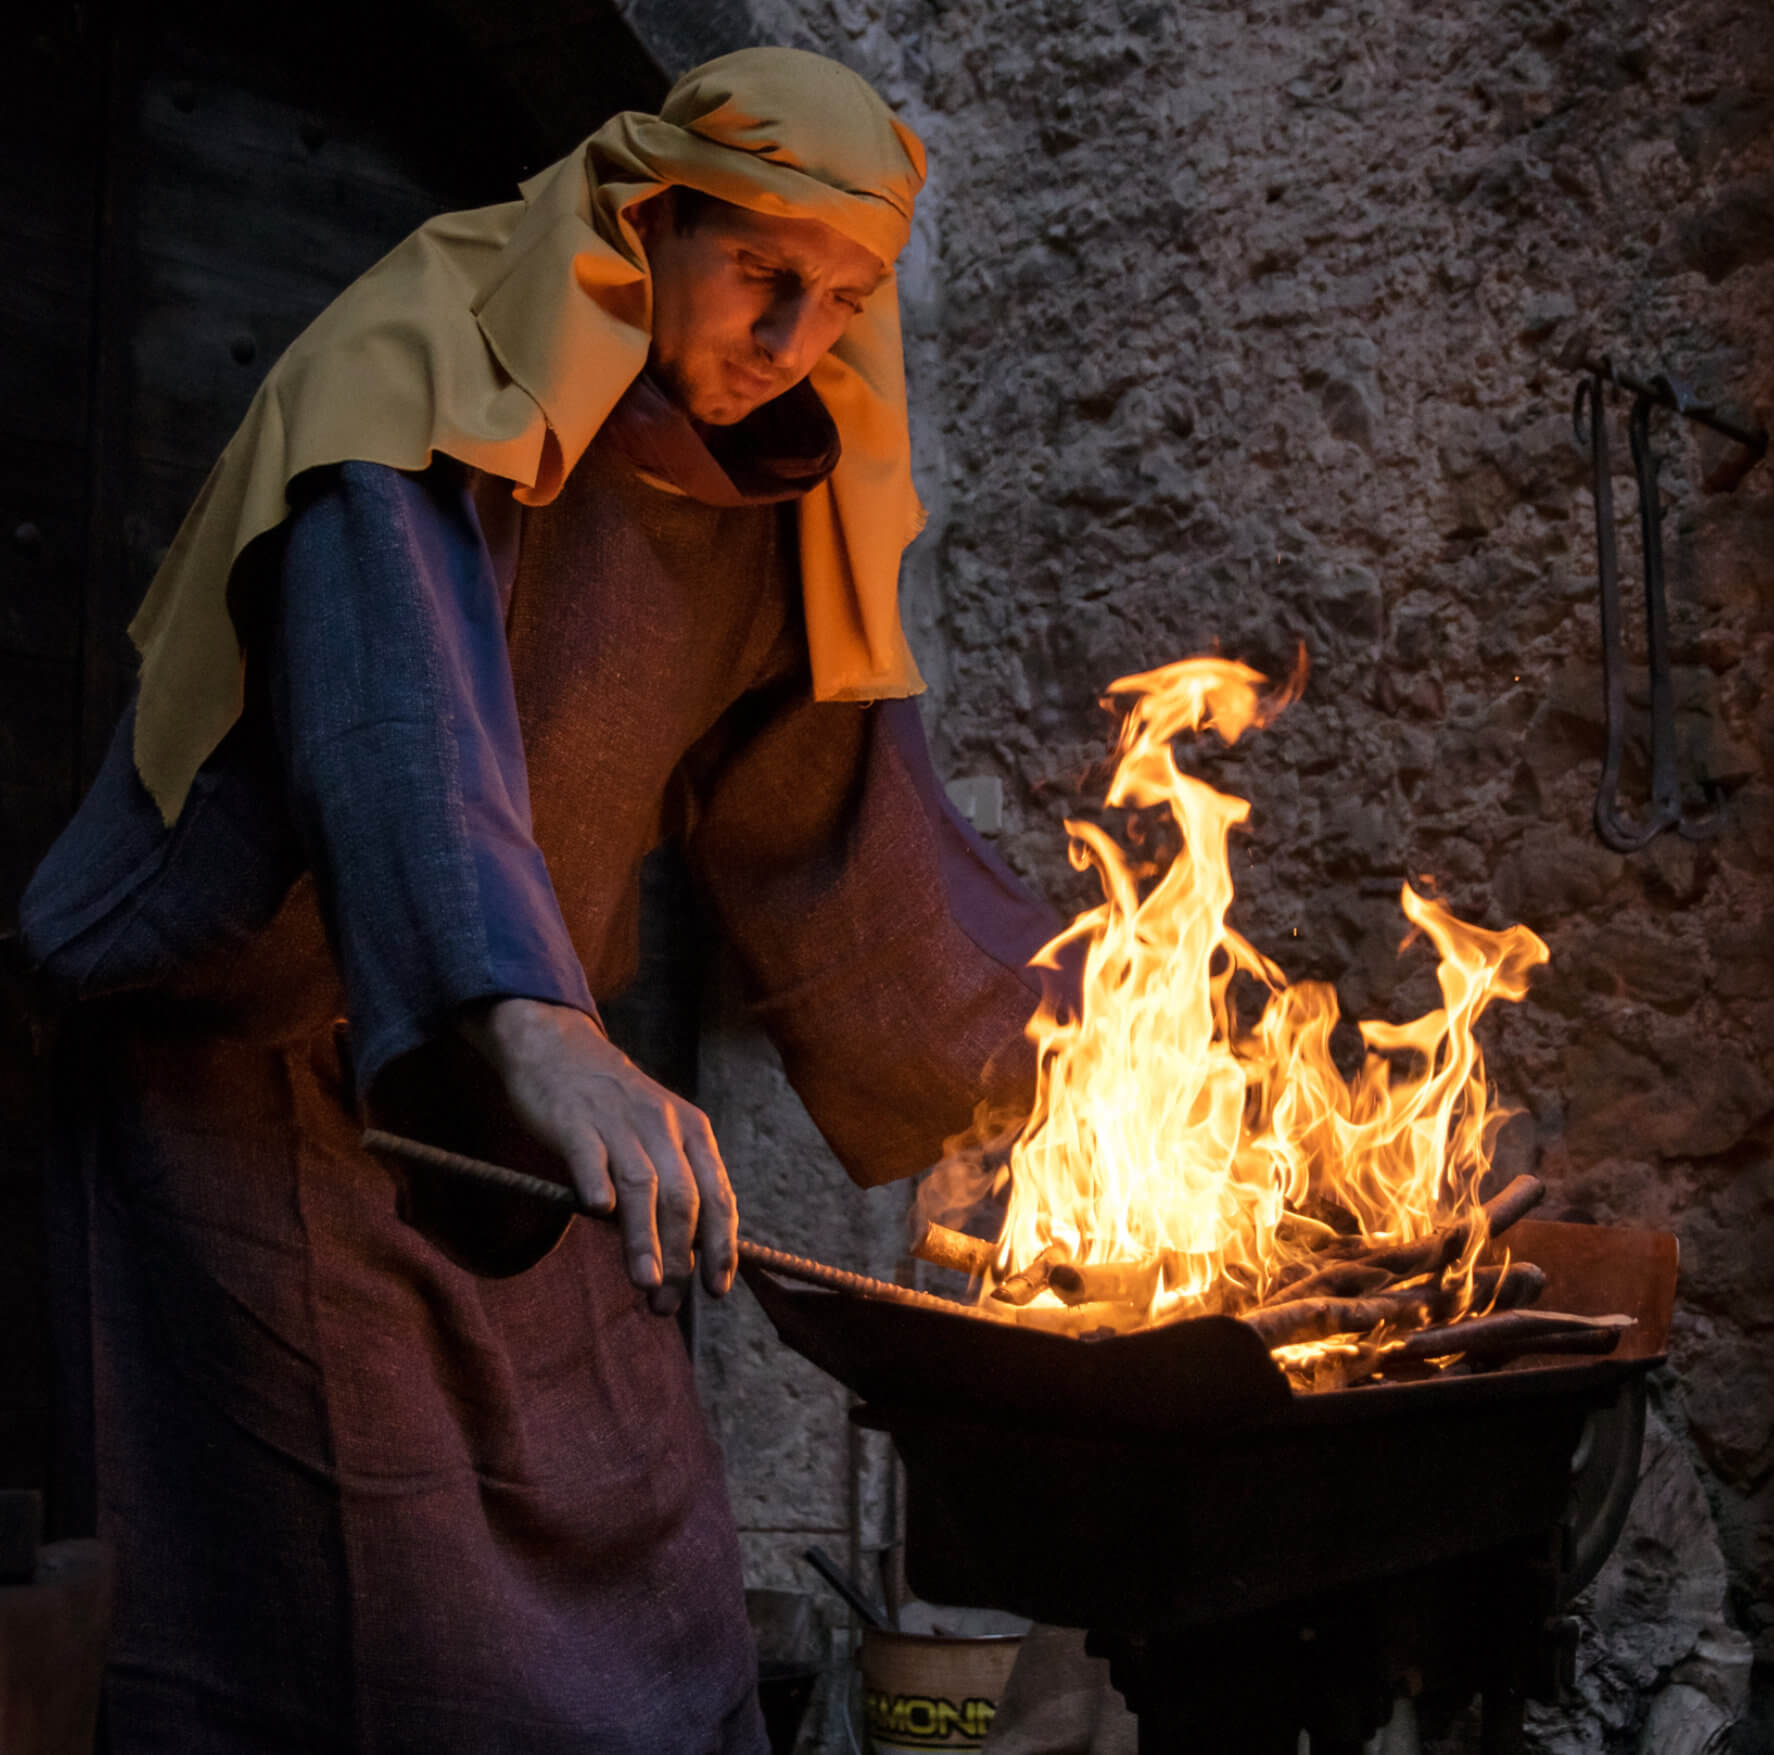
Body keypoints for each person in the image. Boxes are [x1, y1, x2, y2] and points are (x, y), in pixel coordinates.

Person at [20, 47, 1054, 1754]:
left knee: (654, 1588)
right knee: (402, 1661)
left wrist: (1051, 1066)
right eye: (761, 279)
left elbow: (834, 830)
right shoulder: (416, 370)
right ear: (651, 222)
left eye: (844, 300)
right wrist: (533, 1022)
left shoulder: (785, 479)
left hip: (515, 1107)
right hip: (267, 1080)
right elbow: (389, 722)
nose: (794, 343)